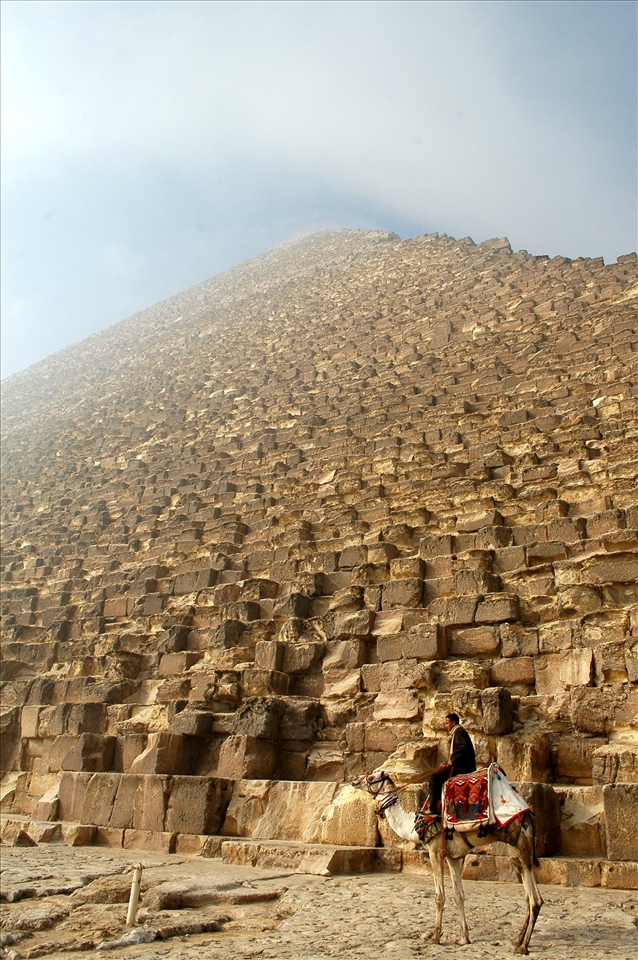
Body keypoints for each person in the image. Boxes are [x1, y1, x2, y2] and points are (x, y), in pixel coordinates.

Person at [428, 713, 476, 815]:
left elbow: (462, 748)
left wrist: (451, 762)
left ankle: (433, 808)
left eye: (447, 723)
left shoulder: (459, 732)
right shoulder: (459, 732)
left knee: (434, 777)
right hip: (461, 765)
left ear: (453, 723)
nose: (446, 726)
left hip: (462, 768)